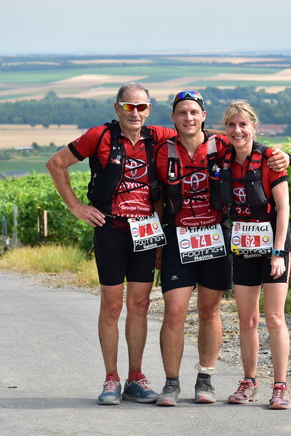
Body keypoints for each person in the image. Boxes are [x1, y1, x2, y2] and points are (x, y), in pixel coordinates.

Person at [153, 91, 290, 407]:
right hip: (182, 236)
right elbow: (156, 195)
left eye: (194, 112)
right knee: (175, 310)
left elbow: (261, 153)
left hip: (219, 236)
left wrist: (286, 156)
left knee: (214, 310)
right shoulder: (163, 149)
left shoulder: (222, 145)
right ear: (173, 118)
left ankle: (207, 380)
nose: (188, 118)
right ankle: (172, 384)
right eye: (182, 112)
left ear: (203, 116)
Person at [45, 82, 177, 405]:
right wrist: (76, 207)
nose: (136, 113)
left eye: (142, 107)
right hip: (111, 229)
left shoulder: (157, 136)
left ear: (149, 110)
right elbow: (56, 163)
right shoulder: (99, 136)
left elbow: (201, 132)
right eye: (129, 107)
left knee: (140, 305)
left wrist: (267, 152)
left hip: (146, 232)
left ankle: (136, 377)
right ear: (117, 108)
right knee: (112, 306)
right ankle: (110, 379)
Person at [219, 101, 291, 410]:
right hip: (244, 246)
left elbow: (284, 209)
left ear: (254, 127)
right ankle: (249, 381)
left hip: (273, 247)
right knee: (247, 319)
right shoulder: (222, 158)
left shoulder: (270, 160)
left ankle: (281, 386)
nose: (237, 130)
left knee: (274, 317)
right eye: (231, 125)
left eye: (243, 125)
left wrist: (277, 254)